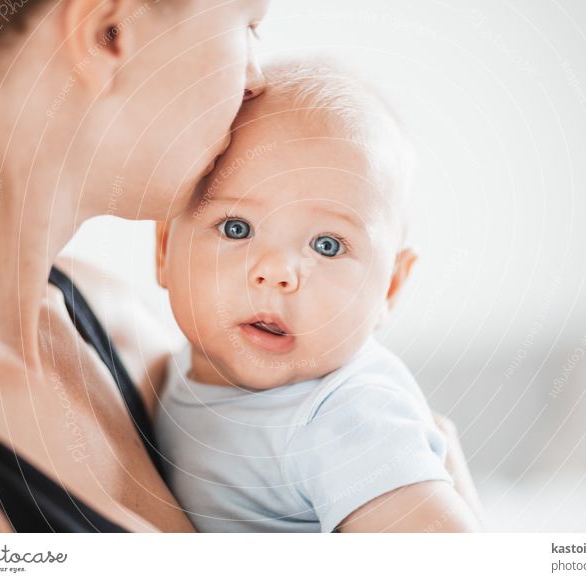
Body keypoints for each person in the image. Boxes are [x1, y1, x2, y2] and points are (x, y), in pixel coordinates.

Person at [0, 0, 480, 533]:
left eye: (329, 245)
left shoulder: (125, 330)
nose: (256, 78)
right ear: (110, 31)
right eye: (247, 24)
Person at [153, 59, 483, 532]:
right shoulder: (174, 370)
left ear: (389, 287)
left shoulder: (346, 417)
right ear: (165, 249)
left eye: (327, 245)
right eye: (236, 228)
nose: (276, 272)